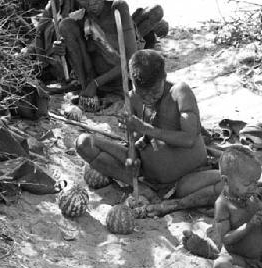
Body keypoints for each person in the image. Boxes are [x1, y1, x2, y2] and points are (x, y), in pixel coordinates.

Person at [75, 50, 222, 206]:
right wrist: (132, 153)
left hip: (188, 178)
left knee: (231, 183)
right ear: (132, 81)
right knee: (83, 143)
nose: (149, 99)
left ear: (164, 78)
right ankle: (143, 189)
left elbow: (190, 139)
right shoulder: (132, 98)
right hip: (147, 176)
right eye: (143, 94)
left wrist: (146, 129)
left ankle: (161, 194)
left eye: (154, 92)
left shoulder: (180, 92)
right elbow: (135, 143)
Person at [57, 0, 136, 100]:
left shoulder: (118, 9)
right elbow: (73, 53)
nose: (92, 1)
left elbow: (131, 58)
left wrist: (96, 83)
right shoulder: (81, 18)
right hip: (97, 82)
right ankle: (86, 89)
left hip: (125, 80)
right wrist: (61, 49)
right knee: (65, 25)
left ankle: (112, 92)